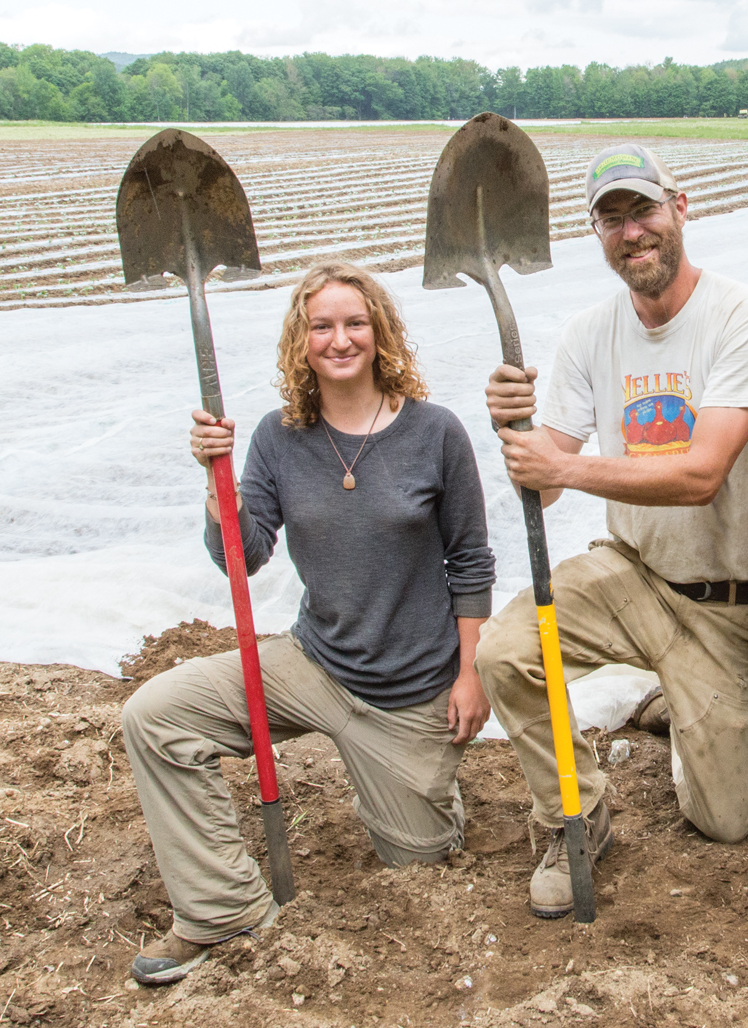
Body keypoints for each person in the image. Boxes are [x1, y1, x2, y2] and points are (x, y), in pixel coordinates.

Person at [122, 262, 496, 983]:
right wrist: (216, 479)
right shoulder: (277, 437)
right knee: (156, 715)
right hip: (313, 663)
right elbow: (244, 558)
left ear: (381, 333)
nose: (340, 338)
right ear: (301, 343)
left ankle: (408, 789)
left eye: (355, 322)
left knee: (422, 858)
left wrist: (468, 671)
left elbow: (470, 561)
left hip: (410, 691)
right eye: (321, 326)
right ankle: (223, 912)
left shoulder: (435, 433)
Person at [477, 144, 748, 918]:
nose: (630, 232)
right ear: (598, 236)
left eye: (642, 209)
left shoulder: (742, 316)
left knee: (727, 824)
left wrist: (561, 471)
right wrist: (514, 435)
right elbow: (540, 491)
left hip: (718, 601)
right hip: (629, 572)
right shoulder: (590, 332)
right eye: (611, 219)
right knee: (505, 652)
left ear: (681, 208)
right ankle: (576, 813)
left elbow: (700, 474)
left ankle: (682, 705)